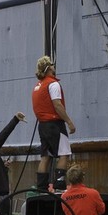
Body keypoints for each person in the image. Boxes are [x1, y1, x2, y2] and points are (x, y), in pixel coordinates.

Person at [32, 55, 75, 191]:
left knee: (46, 156)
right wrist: (69, 122)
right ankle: (59, 185)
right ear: (49, 68)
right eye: (52, 64)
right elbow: (57, 105)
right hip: (55, 124)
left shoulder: (37, 86)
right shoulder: (53, 84)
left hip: (42, 125)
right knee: (64, 154)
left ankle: (41, 187)